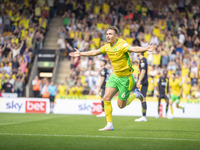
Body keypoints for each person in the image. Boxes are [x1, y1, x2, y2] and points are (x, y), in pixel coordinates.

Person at [69, 26, 156, 131]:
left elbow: (133, 49)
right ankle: (109, 124)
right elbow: (94, 52)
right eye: (107, 34)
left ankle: (136, 94)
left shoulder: (121, 44)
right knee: (106, 98)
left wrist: (146, 49)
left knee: (121, 105)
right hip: (115, 76)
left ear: (116, 36)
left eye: (110, 34)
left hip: (126, 79)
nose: (108, 36)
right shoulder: (107, 47)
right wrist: (80, 53)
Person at [135, 52, 148, 122]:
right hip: (142, 82)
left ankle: (144, 116)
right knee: (142, 99)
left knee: (143, 99)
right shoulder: (141, 60)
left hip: (143, 82)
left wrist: (139, 81)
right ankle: (143, 116)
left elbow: (143, 71)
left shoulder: (143, 60)